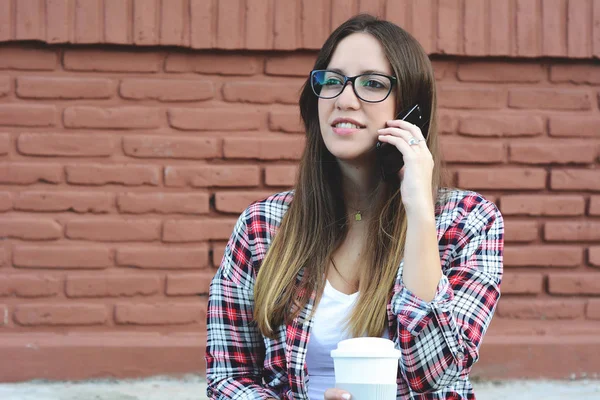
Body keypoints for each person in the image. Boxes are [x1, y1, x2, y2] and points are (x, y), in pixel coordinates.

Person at [205, 13, 504, 400]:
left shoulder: (468, 222)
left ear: (411, 109)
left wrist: (419, 212)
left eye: (373, 84)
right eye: (332, 81)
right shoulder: (263, 226)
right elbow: (228, 378)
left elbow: (436, 374)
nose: (344, 99)